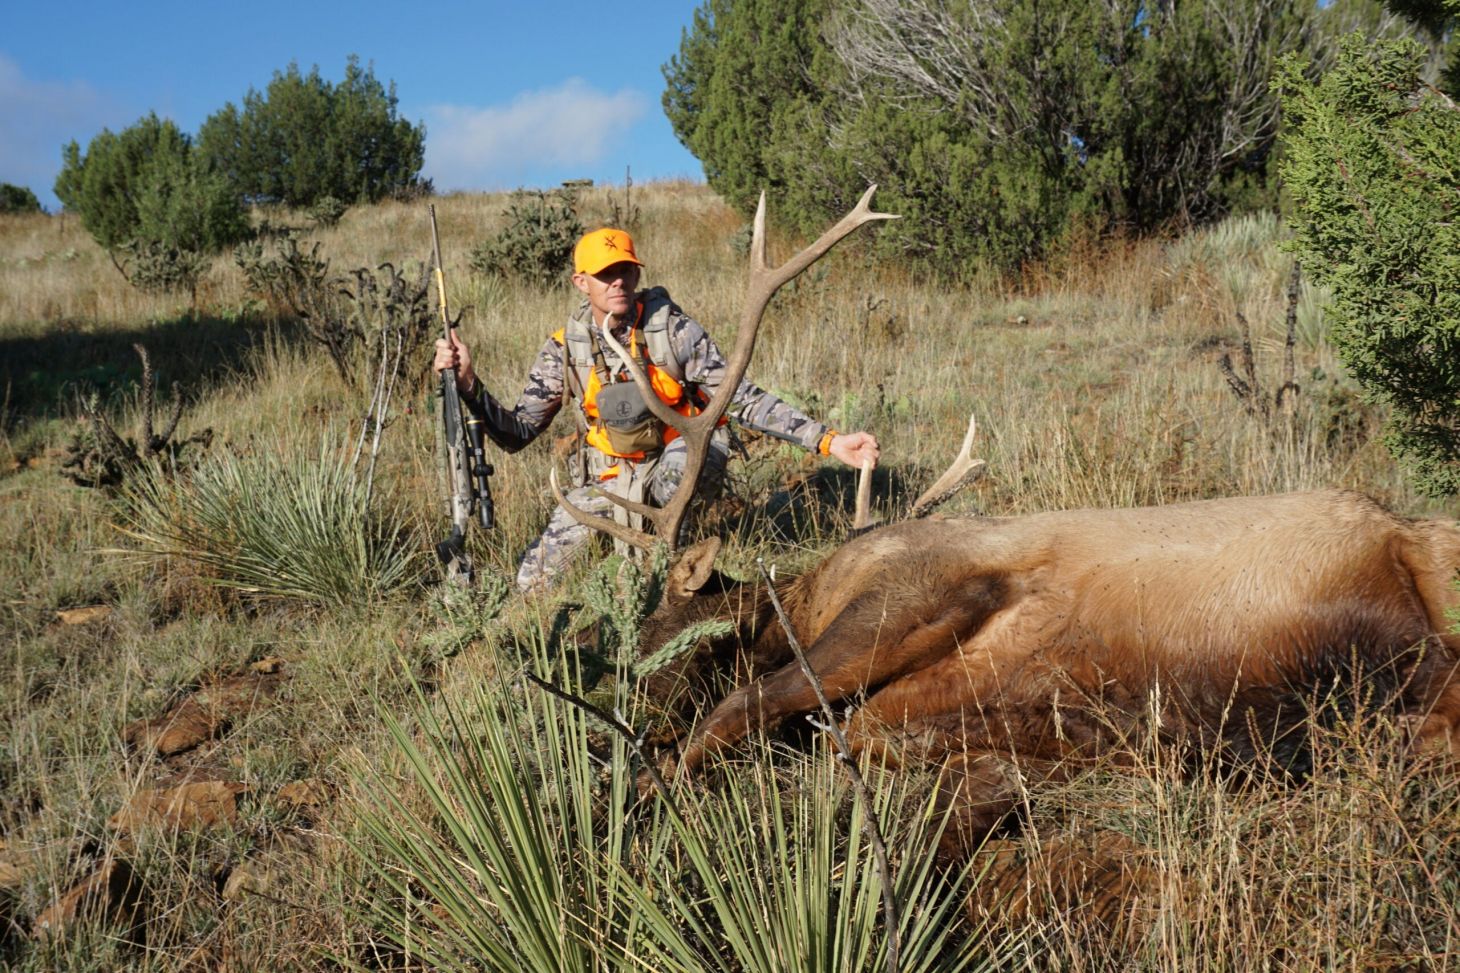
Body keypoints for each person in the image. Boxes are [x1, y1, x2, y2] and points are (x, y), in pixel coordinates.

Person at [433, 226, 880, 594]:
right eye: (605, 274)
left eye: (626, 270)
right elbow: (518, 432)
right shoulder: (564, 349)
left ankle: (671, 569)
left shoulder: (674, 332)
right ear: (580, 282)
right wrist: (469, 382)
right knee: (533, 585)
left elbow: (740, 397)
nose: (618, 282)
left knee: (666, 524)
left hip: (675, 461)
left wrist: (828, 441)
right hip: (608, 476)